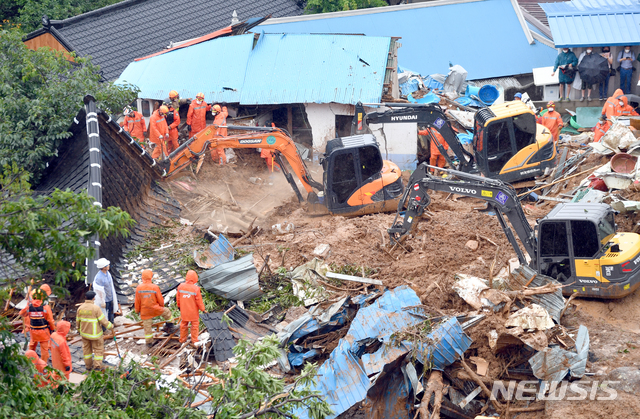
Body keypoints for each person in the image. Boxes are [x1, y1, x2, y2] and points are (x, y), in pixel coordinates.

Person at [135, 269, 177, 350]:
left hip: (145, 311)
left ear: (142, 277)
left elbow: (137, 301)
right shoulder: (154, 287)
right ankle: (170, 325)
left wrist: (137, 310)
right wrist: (161, 306)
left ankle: (149, 343)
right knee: (167, 312)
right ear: (151, 277)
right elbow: (160, 300)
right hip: (155, 309)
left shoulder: (139, 288)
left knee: (147, 328)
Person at [76, 290, 113, 371]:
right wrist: (110, 326)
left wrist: (79, 330)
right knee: (98, 350)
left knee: (87, 351)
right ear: (93, 298)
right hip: (95, 335)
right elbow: (103, 321)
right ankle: (97, 367)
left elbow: (78, 322)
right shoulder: (96, 308)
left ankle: (88, 366)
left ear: (85, 298)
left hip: (84, 334)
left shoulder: (80, 308)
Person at [19, 286, 55, 363]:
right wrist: (52, 329)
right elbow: (50, 321)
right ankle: (43, 364)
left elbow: (22, 313)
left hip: (33, 330)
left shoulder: (29, 307)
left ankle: (29, 361)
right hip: (43, 331)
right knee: (44, 350)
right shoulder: (46, 307)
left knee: (32, 345)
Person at [176, 270, 206, 345]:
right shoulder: (196, 289)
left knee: (183, 324)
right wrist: (203, 309)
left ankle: (182, 339)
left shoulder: (180, 286)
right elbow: (199, 301)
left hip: (184, 311)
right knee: (195, 325)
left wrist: (179, 306)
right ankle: (194, 340)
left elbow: (178, 298)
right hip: (193, 311)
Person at [93, 258, 118, 324]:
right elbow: (99, 291)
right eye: (107, 265)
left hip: (110, 297)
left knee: (111, 311)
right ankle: (104, 328)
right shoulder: (99, 278)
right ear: (104, 267)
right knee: (103, 314)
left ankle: (111, 324)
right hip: (104, 299)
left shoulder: (107, 274)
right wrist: (102, 301)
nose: (109, 265)